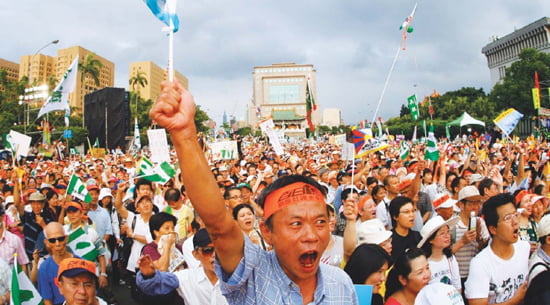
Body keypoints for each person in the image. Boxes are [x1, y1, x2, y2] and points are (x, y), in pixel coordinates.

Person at [149, 80, 358, 304]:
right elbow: (219, 224)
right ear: (267, 232)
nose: (311, 235)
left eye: (320, 222)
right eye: (296, 224)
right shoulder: (251, 276)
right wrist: (184, 135)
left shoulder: (342, 284)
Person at [464, 193, 529, 305]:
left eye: (515, 215)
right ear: (493, 229)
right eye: (508, 218)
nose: (515, 222)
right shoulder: (481, 264)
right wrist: (514, 301)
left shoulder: (524, 247)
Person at [136, 228, 228, 305]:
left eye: (220, 250)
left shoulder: (239, 277)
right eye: (208, 250)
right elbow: (153, 285)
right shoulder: (187, 278)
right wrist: (148, 275)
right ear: (196, 254)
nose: (214, 255)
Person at [418, 216, 462, 293]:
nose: (447, 236)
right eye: (442, 233)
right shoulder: (424, 263)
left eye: (448, 232)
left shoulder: (450, 258)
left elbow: (457, 285)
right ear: (431, 240)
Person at [38, 222, 78, 305]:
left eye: (60, 239)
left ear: (66, 238)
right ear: (46, 242)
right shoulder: (44, 268)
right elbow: (47, 300)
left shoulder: (80, 263)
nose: (57, 244)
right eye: (52, 240)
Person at [389, 196, 421, 261]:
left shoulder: (417, 236)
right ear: (395, 216)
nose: (412, 215)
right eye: (406, 212)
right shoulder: (389, 241)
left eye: (413, 211)